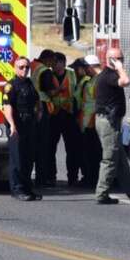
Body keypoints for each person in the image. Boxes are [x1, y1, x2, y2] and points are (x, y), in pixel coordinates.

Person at [93, 47, 130, 205]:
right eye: (117, 59)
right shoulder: (109, 75)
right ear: (109, 60)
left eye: (121, 59)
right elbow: (126, 81)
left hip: (111, 121)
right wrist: (120, 68)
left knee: (121, 160)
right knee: (110, 159)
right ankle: (101, 194)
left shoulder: (110, 75)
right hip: (108, 122)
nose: (121, 61)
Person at [2, 56, 42, 202]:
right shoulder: (11, 86)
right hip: (16, 126)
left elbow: (36, 100)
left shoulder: (29, 83)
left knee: (28, 158)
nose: (24, 70)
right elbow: (7, 107)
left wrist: (39, 113)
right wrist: (12, 125)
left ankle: (27, 188)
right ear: (15, 68)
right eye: (21, 67)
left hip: (29, 124)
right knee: (17, 159)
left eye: (27, 67)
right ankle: (17, 189)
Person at [46, 52, 82, 186]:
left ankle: (73, 177)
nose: (53, 65)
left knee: (72, 149)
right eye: (52, 62)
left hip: (69, 115)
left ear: (63, 63)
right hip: (54, 115)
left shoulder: (72, 74)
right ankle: (51, 176)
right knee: (50, 148)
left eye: (56, 62)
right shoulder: (48, 75)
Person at [77, 55, 103, 189]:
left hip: (93, 123)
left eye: (86, 67)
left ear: (91, 67)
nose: (84, 69)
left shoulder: (98, 81)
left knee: (93, 154)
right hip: (88, 122)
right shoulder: (92, 80)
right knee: (89, 153)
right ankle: (90, 177)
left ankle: (92, 179)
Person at [31, 49, 55, 186]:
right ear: (48, 59)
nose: (53, 64)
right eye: (52, 61)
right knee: (43, 145)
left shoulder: (32, 65)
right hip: (42, 107)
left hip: (32, 107)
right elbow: (49, 91)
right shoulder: (45, 71)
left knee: (34, 143)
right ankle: (42, 178)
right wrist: (59, 91)